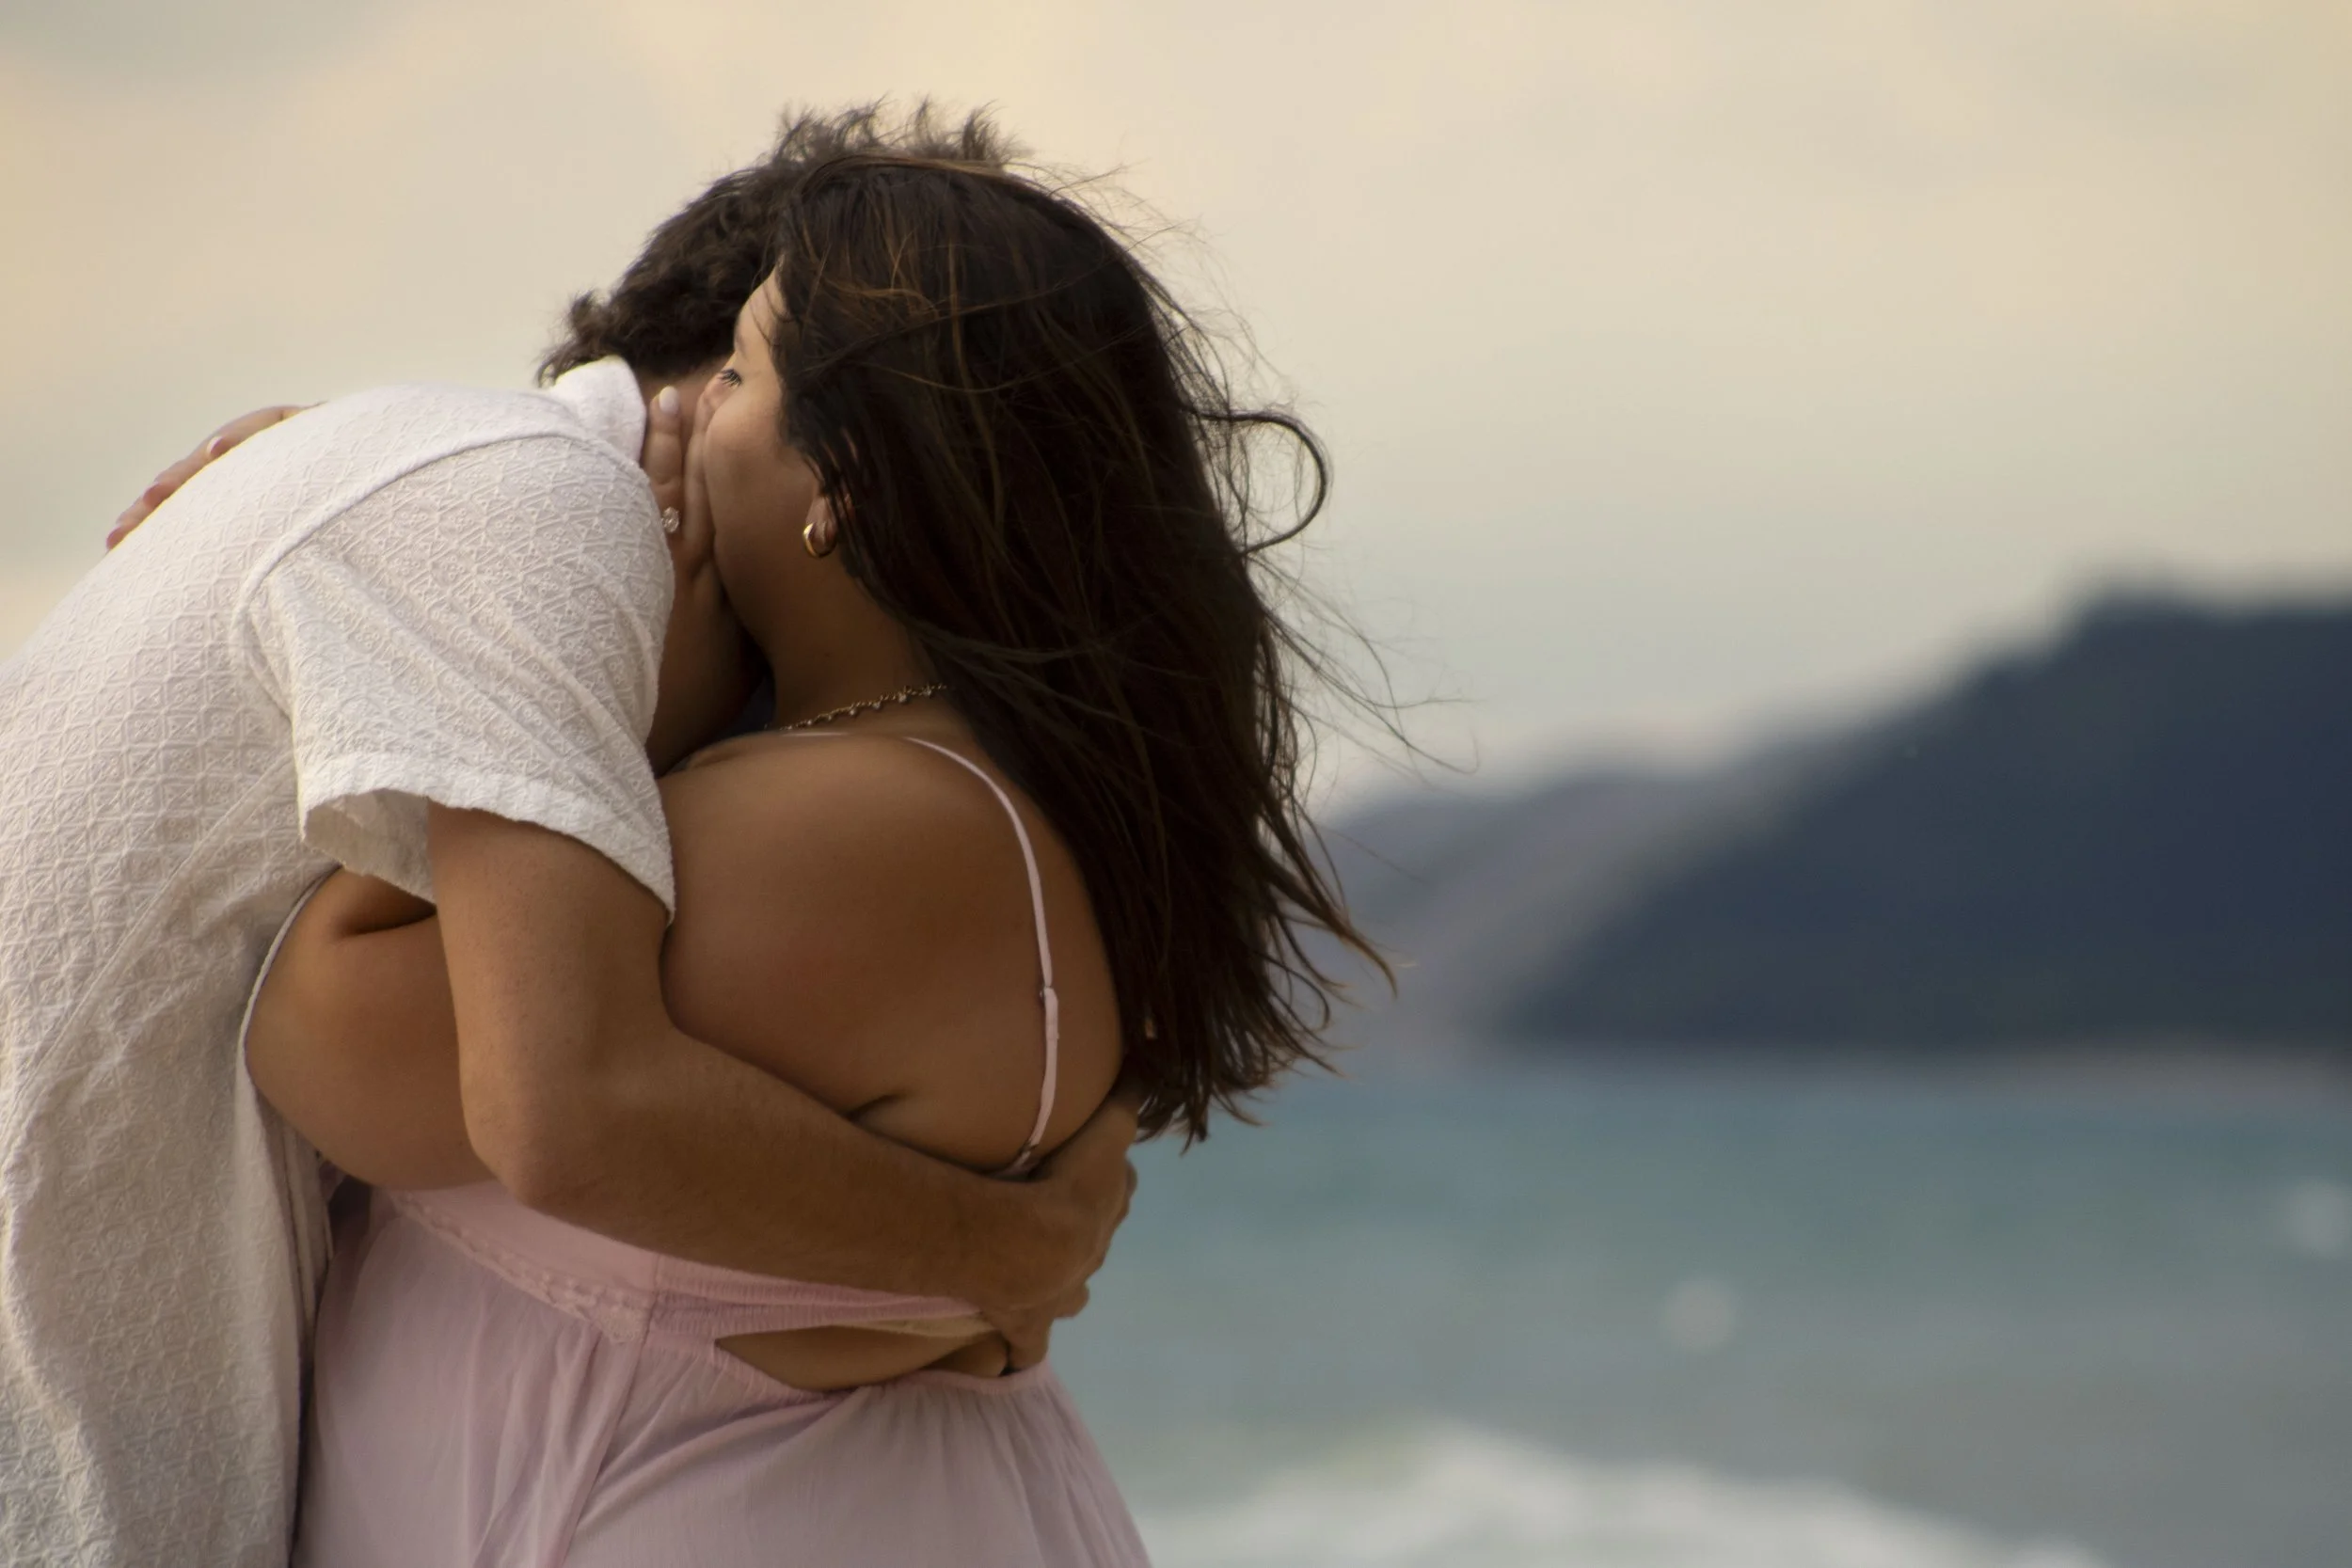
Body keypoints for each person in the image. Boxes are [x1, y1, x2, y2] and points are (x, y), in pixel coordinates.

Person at [0, 107, 1136, 1568]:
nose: (719, 412)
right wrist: (1008, 1249)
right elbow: (551, 1099)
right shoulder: (542, 514)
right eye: (733, 371)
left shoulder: (519, 523)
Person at [237, 125, 1378, 1562]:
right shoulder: (985, 807)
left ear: (846, 480)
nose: (685, 411)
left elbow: (315, 1031)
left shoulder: (859, 829)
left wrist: (586, 693)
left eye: (742, 371)